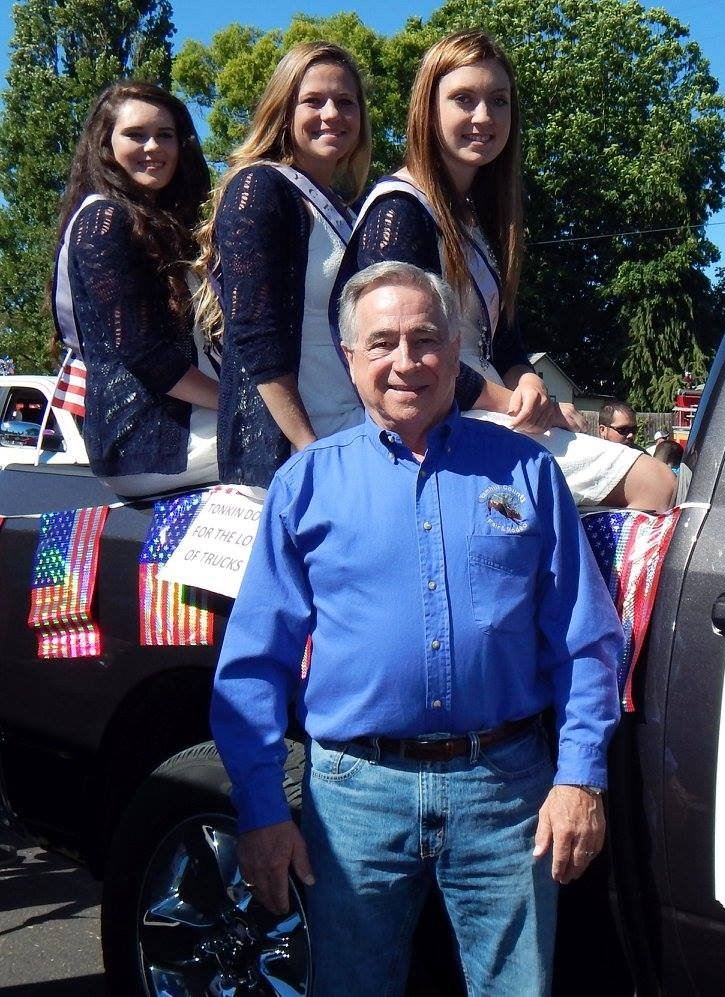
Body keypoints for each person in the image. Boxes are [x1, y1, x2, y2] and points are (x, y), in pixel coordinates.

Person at [211, 260, 623, 996]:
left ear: (456, 345)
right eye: (383, 343)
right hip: (354, 796)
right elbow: (254, 665)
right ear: (350, 359)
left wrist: (580, 775)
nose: (406, 361)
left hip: (507, 791)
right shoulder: (305, 484)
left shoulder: (528, 474)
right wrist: (262, 807)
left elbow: (585, 641)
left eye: (426, 339)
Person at [337, 30, 674, 510]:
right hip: (435, 419)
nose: (483, 117)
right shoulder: (400, 211)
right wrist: (527, 405)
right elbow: (403, 354)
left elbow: (507, 341)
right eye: (463, 99)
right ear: (427, 110)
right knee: (656, 484)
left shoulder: (477, 216)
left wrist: (529, 381)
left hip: (487, 406)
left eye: (498, 101)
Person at [194, 42, 373, 488]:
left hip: (352, 426)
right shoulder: (261, 187)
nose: (332, 113)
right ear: (283, 110)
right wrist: (306, 445)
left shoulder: (345, 207)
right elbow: (255, 333)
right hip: (290, 449)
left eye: (345, 102)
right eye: (313, 101)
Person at [53, 82, 217, 497]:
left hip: (181, 428)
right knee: (303, 448)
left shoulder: (160, 224)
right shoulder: (103, 221)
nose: (153, 147)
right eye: (136, 134)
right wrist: (240, 400)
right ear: (105, 145)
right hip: (150, 441)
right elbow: (145, 355)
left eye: (166, 135)